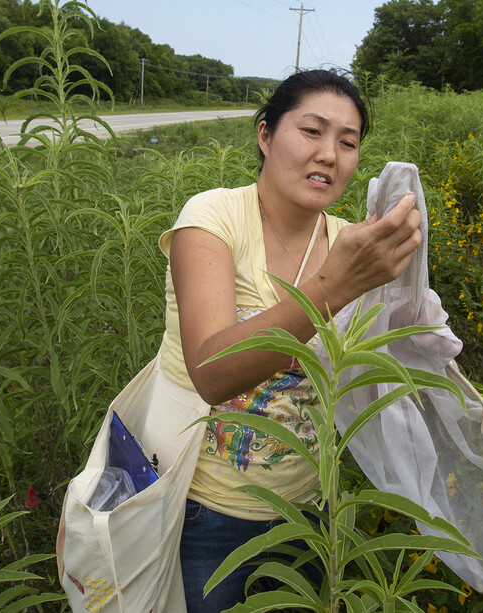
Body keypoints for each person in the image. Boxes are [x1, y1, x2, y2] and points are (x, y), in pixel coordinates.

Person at [156, 69, 423, 612]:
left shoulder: (351, 241)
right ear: (265, 135)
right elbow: (211, 371)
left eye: (348, 143)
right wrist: (338, 285)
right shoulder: (212, 218)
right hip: (205, 513)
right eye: (312, 131)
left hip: (309, 512)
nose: (330, 154)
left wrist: (412, 314)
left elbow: (363, 378)